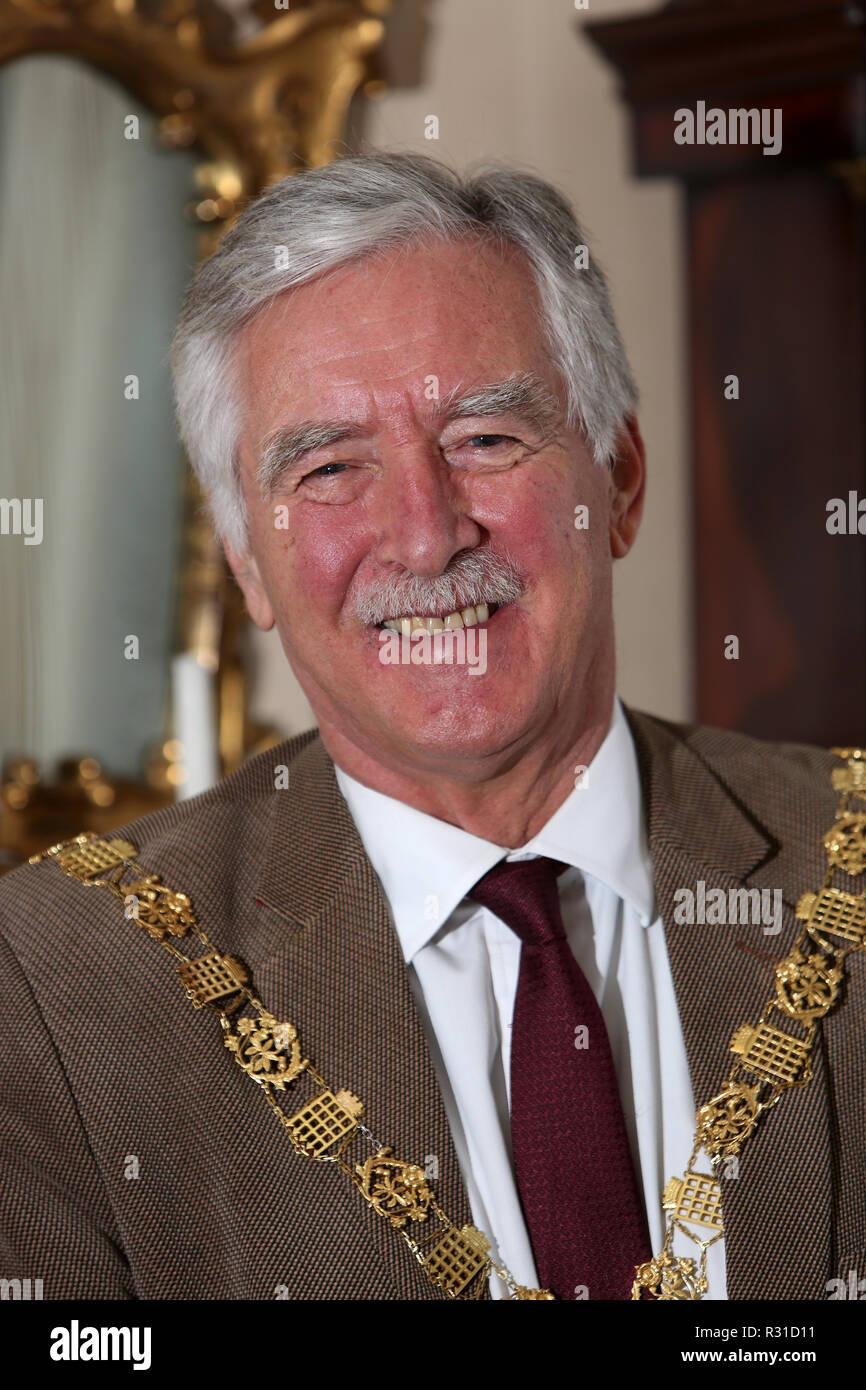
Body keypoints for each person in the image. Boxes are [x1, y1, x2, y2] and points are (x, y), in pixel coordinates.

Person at [1, 153, 863, 1303]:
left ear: (618, 479)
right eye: (326, 467)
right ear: (249, 565)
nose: (422, 535)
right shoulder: (55, 990)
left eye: (484, 441)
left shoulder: (845, 854)